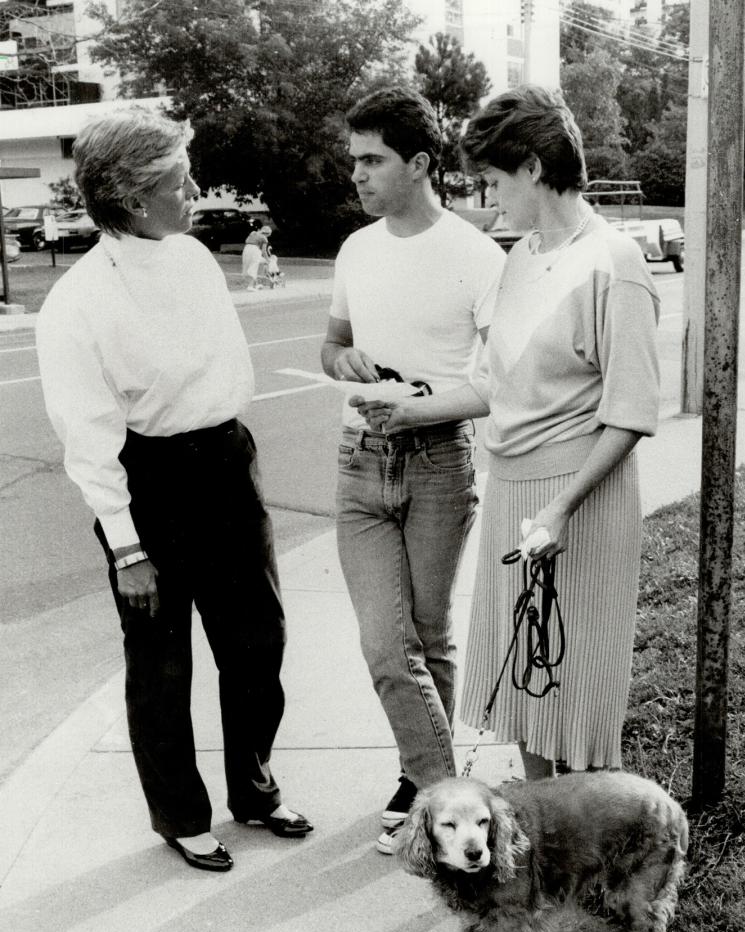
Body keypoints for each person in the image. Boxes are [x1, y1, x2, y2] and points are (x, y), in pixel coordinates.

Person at [352, 85, 660, 781]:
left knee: (571, 688)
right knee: (524, 690)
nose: (489, 199)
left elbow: (630, 411)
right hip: (513, 494)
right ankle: (542, 858)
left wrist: (559, 509)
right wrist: (408, 411)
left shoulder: (615, 261)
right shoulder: (518, 257)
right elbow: (495, 384)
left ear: (529, 167)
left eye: (492, 180)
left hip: (578, 499)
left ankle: (586, 866)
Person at [36, 107, 312, 874]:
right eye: (176, 179)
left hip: (226, 462)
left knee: (259, 642)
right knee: (161, 665)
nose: (193, 188)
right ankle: (181, 816)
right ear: (128, 198)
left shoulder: (191, 259)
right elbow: (88, 438)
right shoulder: (79, 302)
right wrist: (128, 549)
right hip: (146, 482)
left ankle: (253, 792)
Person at [321, 86, 506, 853]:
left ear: (421, 162)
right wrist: (346, 360)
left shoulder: (477, 256)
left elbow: (498, 384)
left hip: (436, 463)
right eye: (354, 160)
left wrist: (417, 411)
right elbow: (328, 348)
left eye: (373, 160)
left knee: (427, 638)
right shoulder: (356, 250)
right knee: (382, 644)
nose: (357, 176)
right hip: (359, 466)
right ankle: (445, 793)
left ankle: (418, 780)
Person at [242, 221, 271, 290]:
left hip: (246, 249)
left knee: (249, 265)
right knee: (254, 266)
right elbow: (264, 251)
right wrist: (268, 259)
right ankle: (250, 286)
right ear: (267, 234)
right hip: (255, 251)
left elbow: (246, 240)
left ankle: (256, 284)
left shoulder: (253, 233)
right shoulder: (264, 238)